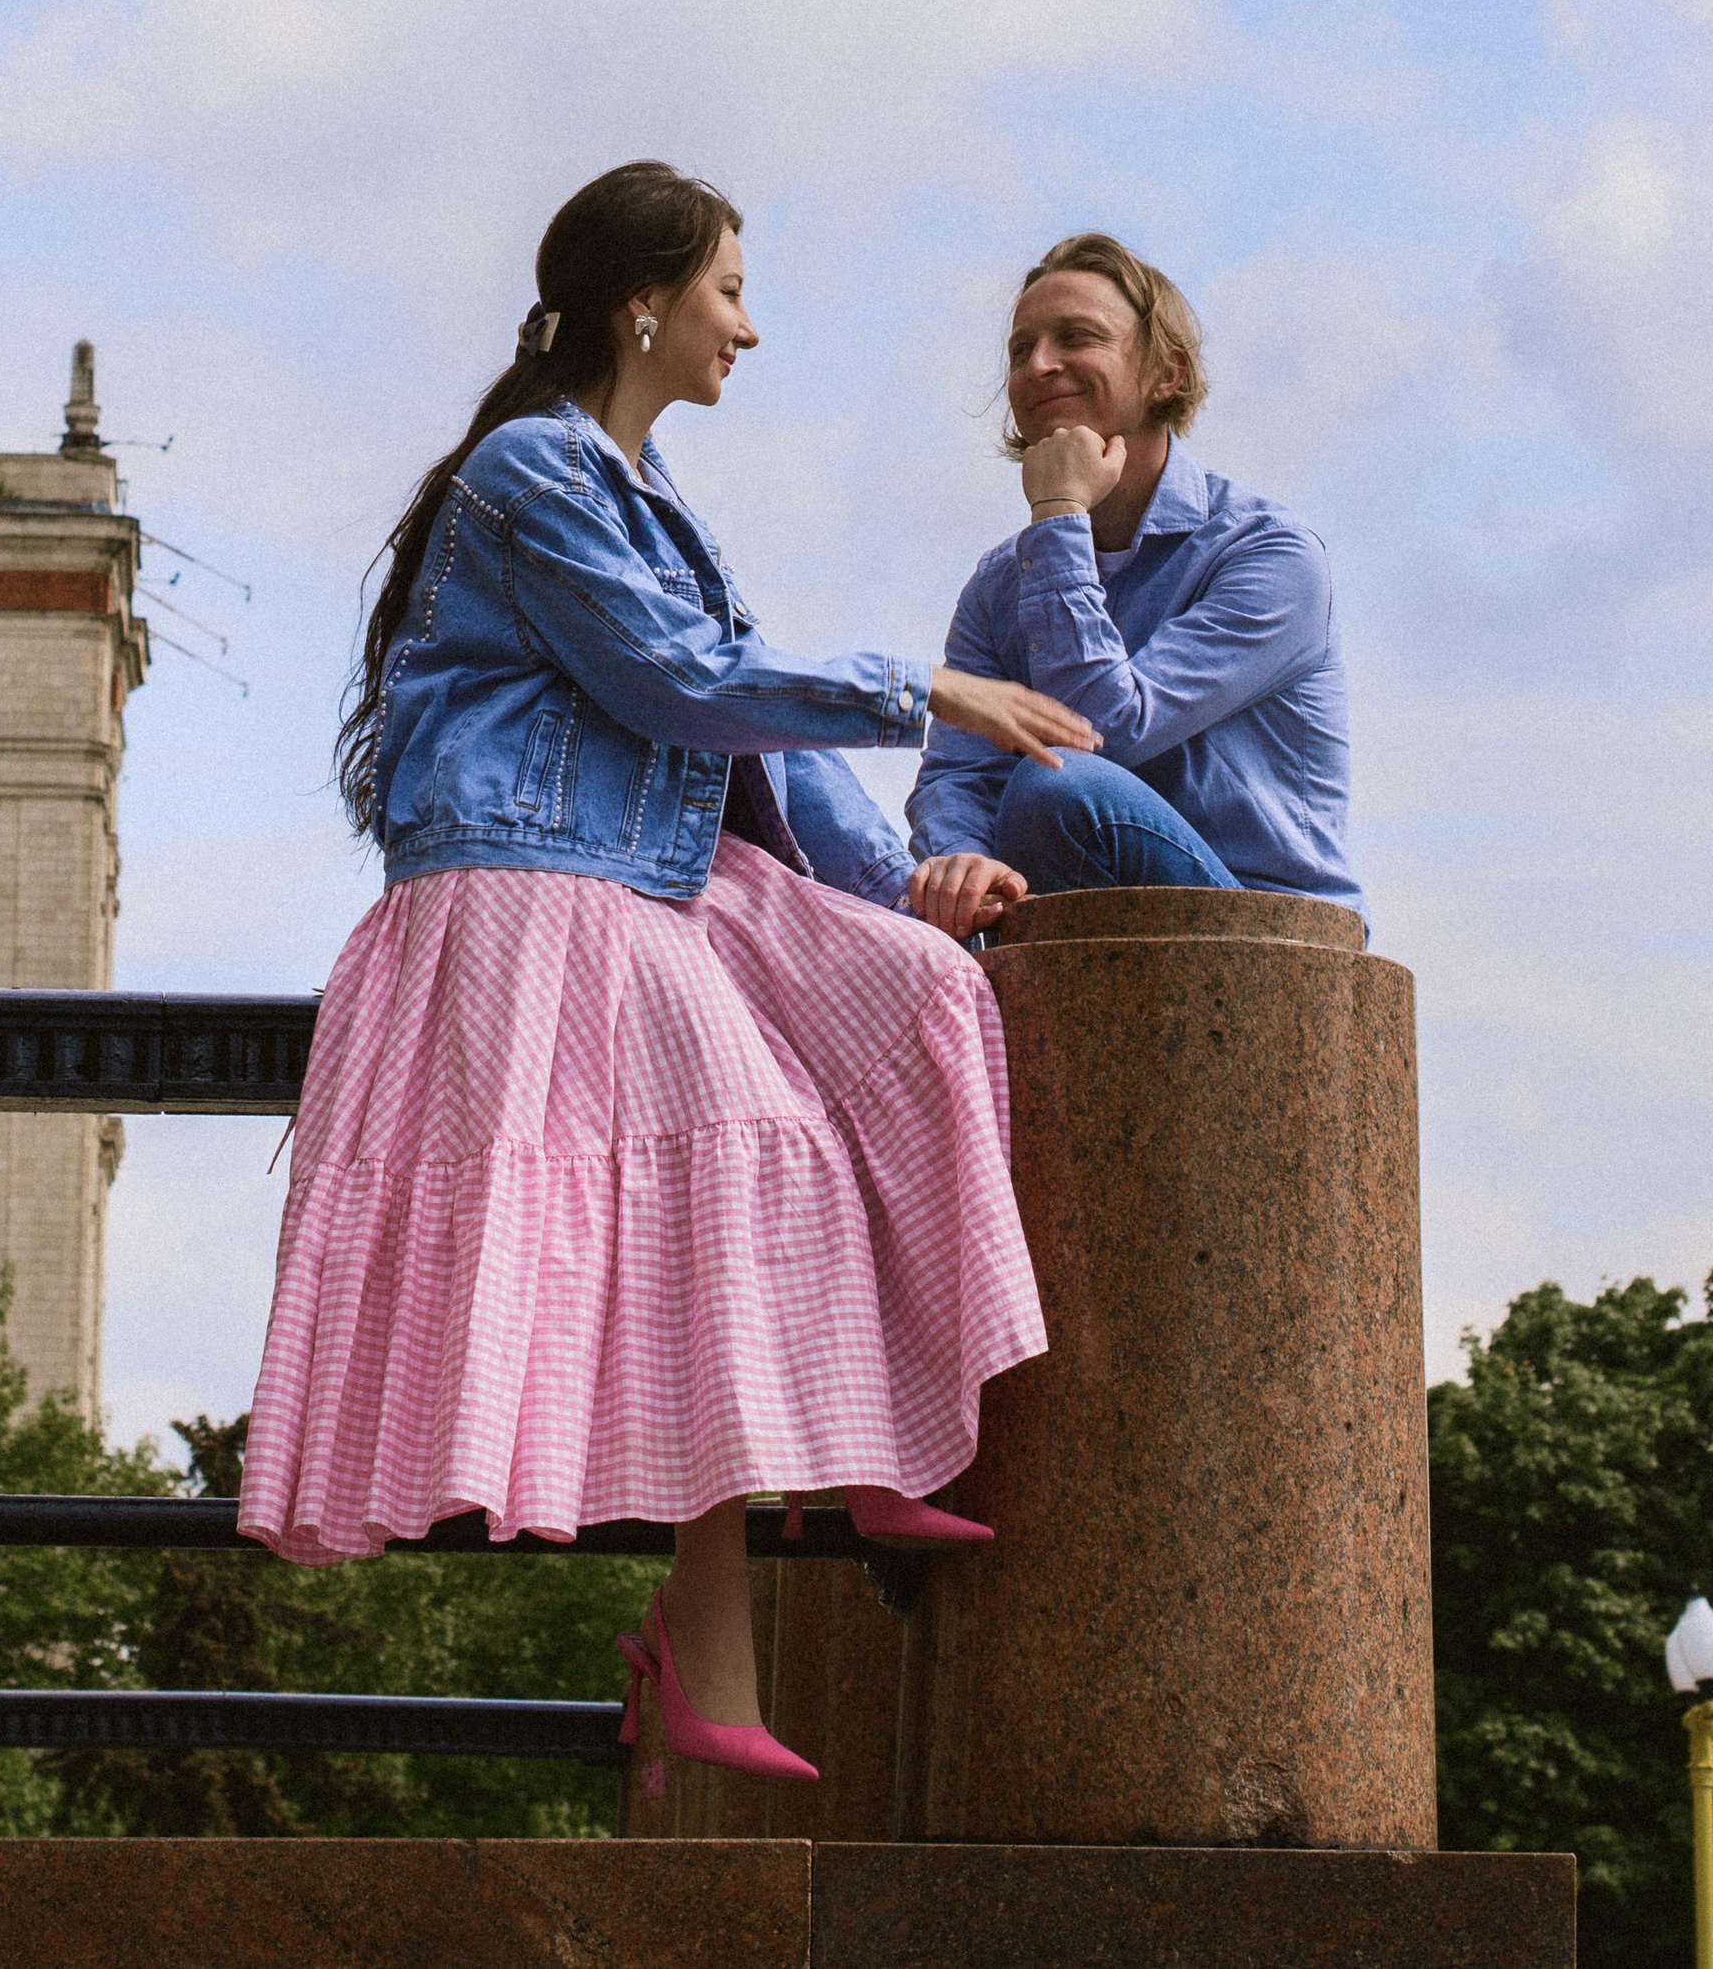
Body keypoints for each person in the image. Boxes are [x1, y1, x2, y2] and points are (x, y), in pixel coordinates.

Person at [237, 161, 1082, 1789]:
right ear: (645, 301)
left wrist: (895, 892)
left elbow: (750, 732)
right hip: (525, 890)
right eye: (730, 293)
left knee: (924, 1000)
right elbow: (687, 681)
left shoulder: (638, 484)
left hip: (643, 874)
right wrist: (939, 690)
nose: (748, 328)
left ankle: (873, 1446)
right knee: (750, 1164)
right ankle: (715, 1643)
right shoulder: (532, 470)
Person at [907, 232, 1362, 930]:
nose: (1039, 364)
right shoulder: (999, 586)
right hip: (1071, 923)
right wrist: (961, 862)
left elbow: (1105, 731)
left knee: (1056, 791)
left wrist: (1059, 513)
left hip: (1268, 935)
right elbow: (958, 774)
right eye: (1020, 349)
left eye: (1076, 337)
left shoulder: (1269, 553)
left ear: (1167, 374)